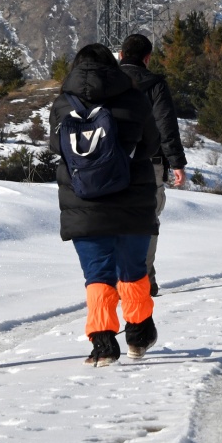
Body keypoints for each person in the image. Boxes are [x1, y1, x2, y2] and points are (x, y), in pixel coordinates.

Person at [51, 42, 160, 366]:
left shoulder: (62, 103)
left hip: (84, 202)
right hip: (132, 199)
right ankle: (138, 334)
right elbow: (151, 144)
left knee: (97, 274)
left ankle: (102, 343)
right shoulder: (134, 98)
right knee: (133, 270)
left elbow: (56, 146)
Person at [119, 33, 188, 297]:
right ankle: (144, 280)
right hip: (150, 162)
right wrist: (177, 162)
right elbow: (166, 125)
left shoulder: (106, 81)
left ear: (121, 55)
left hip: (112, 162)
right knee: (148, 220)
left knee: (114, 218)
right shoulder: (155, 84)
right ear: (147, 58)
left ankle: (117, 279)